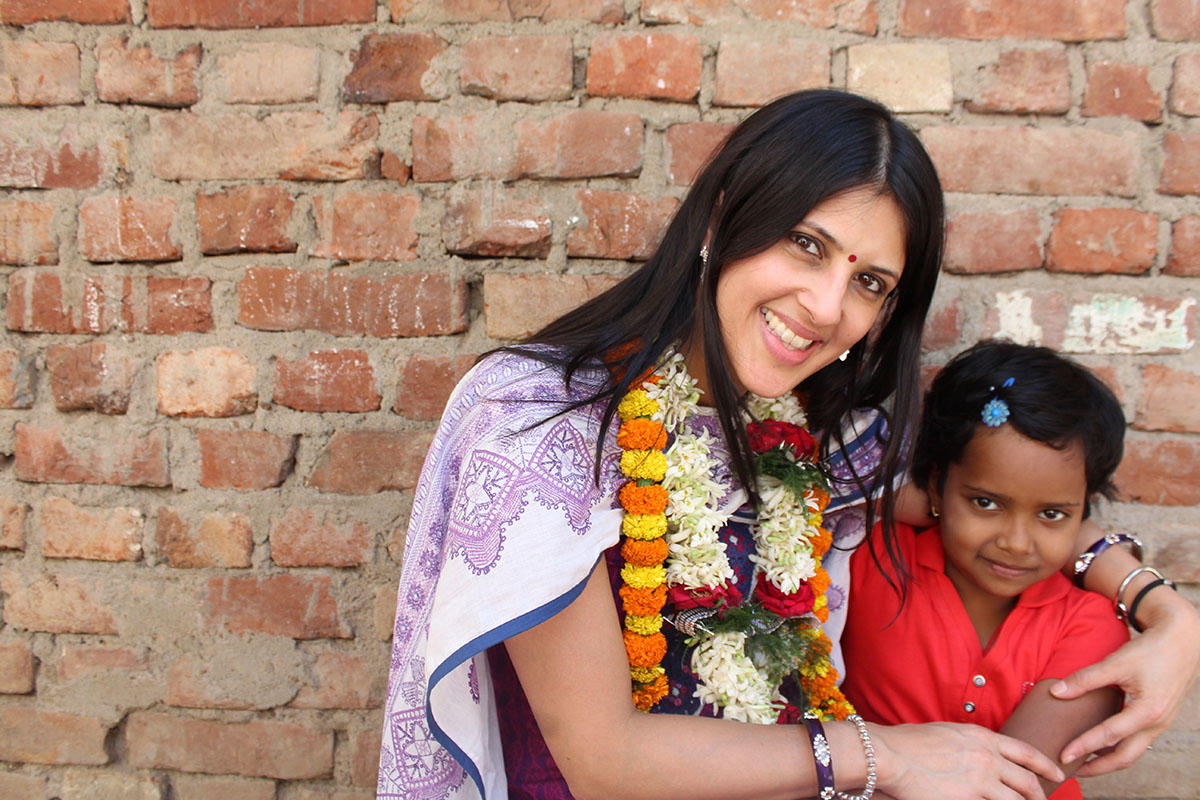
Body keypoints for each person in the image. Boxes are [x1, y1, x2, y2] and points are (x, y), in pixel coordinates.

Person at [378, 90, 1200, 800]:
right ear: (725, 213)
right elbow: (605, 761)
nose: (824, 304)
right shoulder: (549, 418)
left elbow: (1005, 510)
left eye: (869, 281)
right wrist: (893, 757)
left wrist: (1167, 615)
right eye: (807, 245)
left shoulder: (826, 440)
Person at [841, 341, 1155, 800]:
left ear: (1083, 515)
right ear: (935, 485)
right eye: (985, 503)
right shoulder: (874, 561)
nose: (1015, 542)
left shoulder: (1093, 624)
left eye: (1051, 514)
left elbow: (1017, 784)